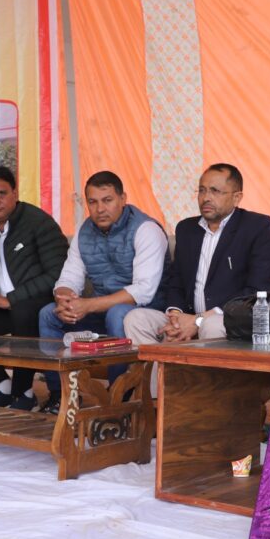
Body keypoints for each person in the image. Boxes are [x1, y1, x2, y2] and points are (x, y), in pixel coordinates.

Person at [38, 171, 169, 413]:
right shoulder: (84, 231)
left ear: (123, 199)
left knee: (118, 313)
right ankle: (62, 397)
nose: (100, 209)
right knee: (49, 314)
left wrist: (87, 305)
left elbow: (144, 291)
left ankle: (118, 399)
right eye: (93, 201)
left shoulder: (146, 229)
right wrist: (65, 299)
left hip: (147, 311)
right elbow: (69, 277)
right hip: (101, 310)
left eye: (107, 200)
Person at [124, 163, 270, 350]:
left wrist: (199, 320)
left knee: (211, 325)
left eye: (215, 191)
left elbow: (258, 290)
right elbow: (176, 281)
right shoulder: (186, 229)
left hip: (229, 318)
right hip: (187, 316)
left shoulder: (258, 227)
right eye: (202, 190)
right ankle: (159, 370)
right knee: (136, 319)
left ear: (237, 198)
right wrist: (175, 316)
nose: (206, 198)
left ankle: (201, 371)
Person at [0, 166, 68, 410]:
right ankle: (2, 386)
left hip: (36, 305)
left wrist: (11, 299)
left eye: (1, 193)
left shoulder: (39, 222)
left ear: (15, 193)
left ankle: (24, 393)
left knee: (23, 311)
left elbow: (58, 274)